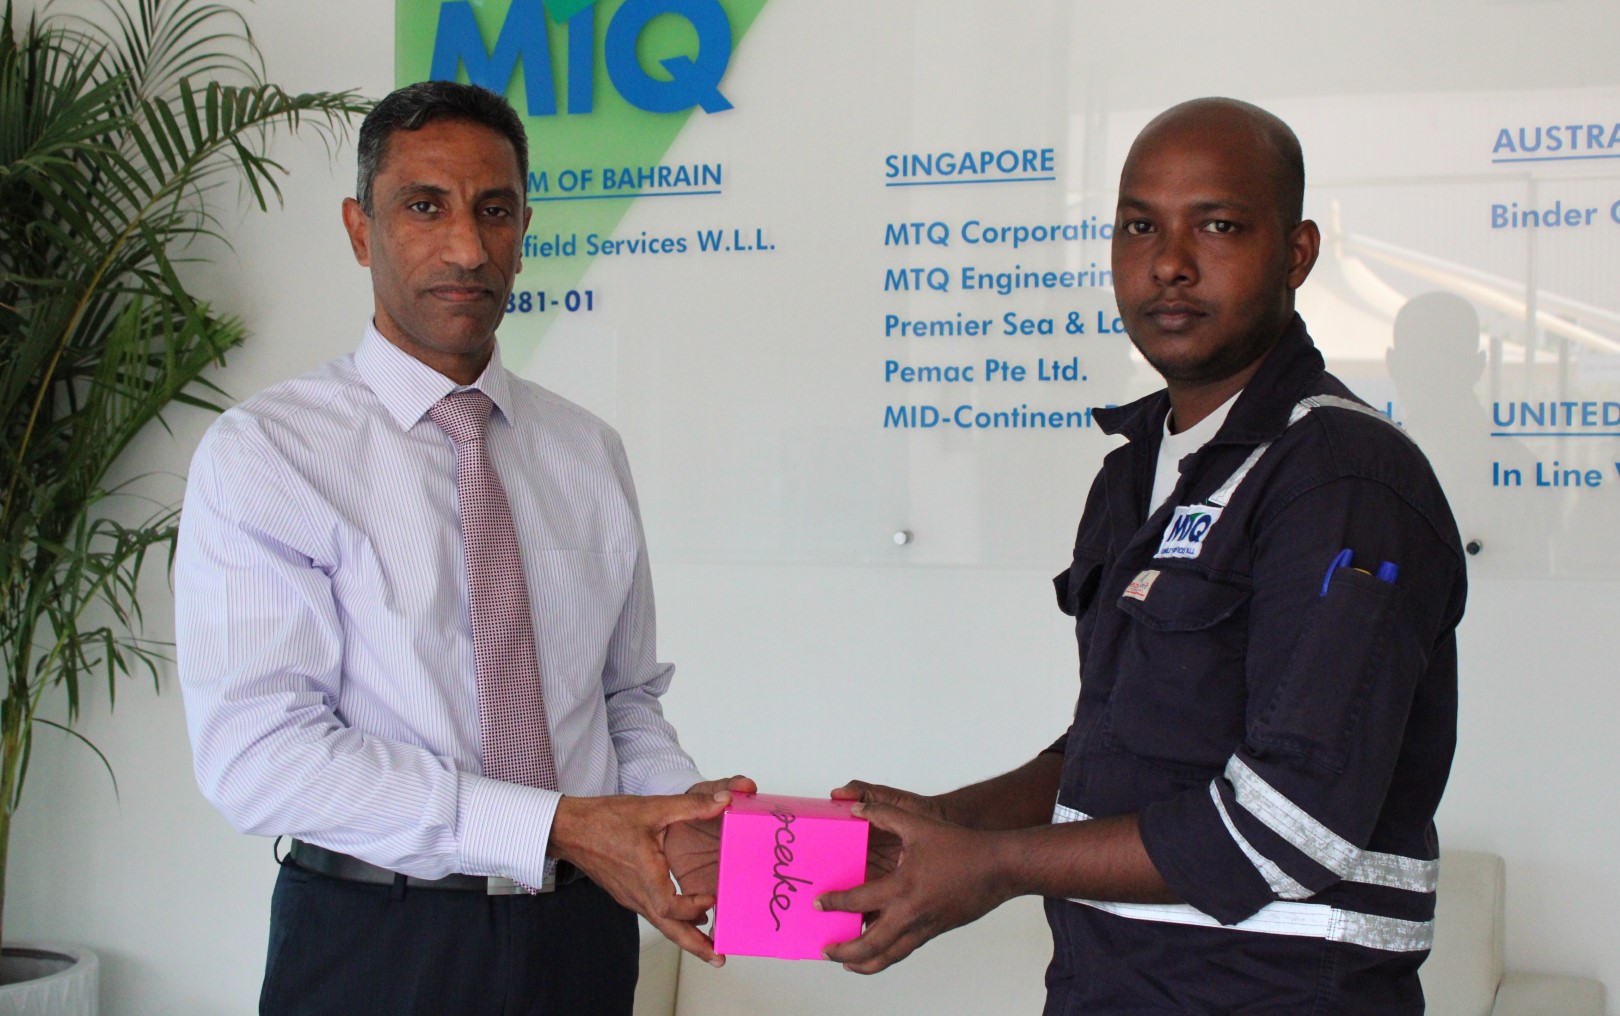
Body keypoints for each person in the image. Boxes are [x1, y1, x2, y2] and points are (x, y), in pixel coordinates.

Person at [821, 98, 1465, 1014]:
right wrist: (945, 822)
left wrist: (993, 865)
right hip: (1112, 987)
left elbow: (1288, 828)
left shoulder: (1342, 477)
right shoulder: (1136, 472)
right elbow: (1119, 751)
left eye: (1218, 225)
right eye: (1139, 226)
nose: (1169, 263)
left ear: (1296, 253)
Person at [175, 81, 751, 1016]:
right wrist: (558, 824)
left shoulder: (586, 451)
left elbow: (623, 700)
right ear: (361, 231)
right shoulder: (270, 453)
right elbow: (261, 757)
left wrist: (677, 814)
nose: (467, 248)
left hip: (582, 934)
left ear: (525, 229)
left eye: (494, 211)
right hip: (377, 940)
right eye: (424, 207)